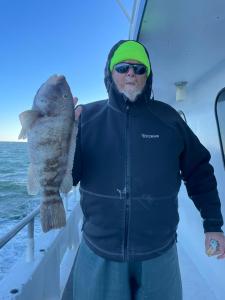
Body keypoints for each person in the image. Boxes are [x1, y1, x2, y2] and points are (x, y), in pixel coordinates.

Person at [72, 40, 225, 300]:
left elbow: (199, 171)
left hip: (159, 252)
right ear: (110, 74)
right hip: (99, 250)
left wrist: (213, 224)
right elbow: (70, 177)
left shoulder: (168, 119)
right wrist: (65, 135)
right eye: (122, 67)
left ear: (148, 76)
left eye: (139, 68)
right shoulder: (87, 118)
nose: (131, 73)